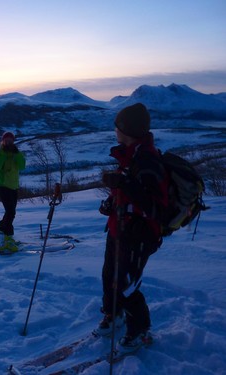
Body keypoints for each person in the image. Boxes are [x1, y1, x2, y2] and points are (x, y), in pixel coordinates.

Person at [95, 103, 168, 353]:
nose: (115, 130)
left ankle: (140, 330)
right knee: (109, 276)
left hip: (138, 234)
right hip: (119, 228)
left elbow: (157, 207)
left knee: (126, 283)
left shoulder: (147, 160)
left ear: (125, 129)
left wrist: (125, 185)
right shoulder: (129, 155)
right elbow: (126, 192)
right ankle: (114, 314)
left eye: (117, 126)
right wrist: (110, 202)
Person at [0, 131, 26, 252]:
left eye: (11, 140)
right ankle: (6, 236)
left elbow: (22, 167)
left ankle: (3, 233)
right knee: (10, 211)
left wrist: (17, 155)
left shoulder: (17, 153)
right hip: (3, 185)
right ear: (3, 141)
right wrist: (4, 155)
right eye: (7, 140)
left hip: (14, 186)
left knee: (12, 212)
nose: (9, 142)